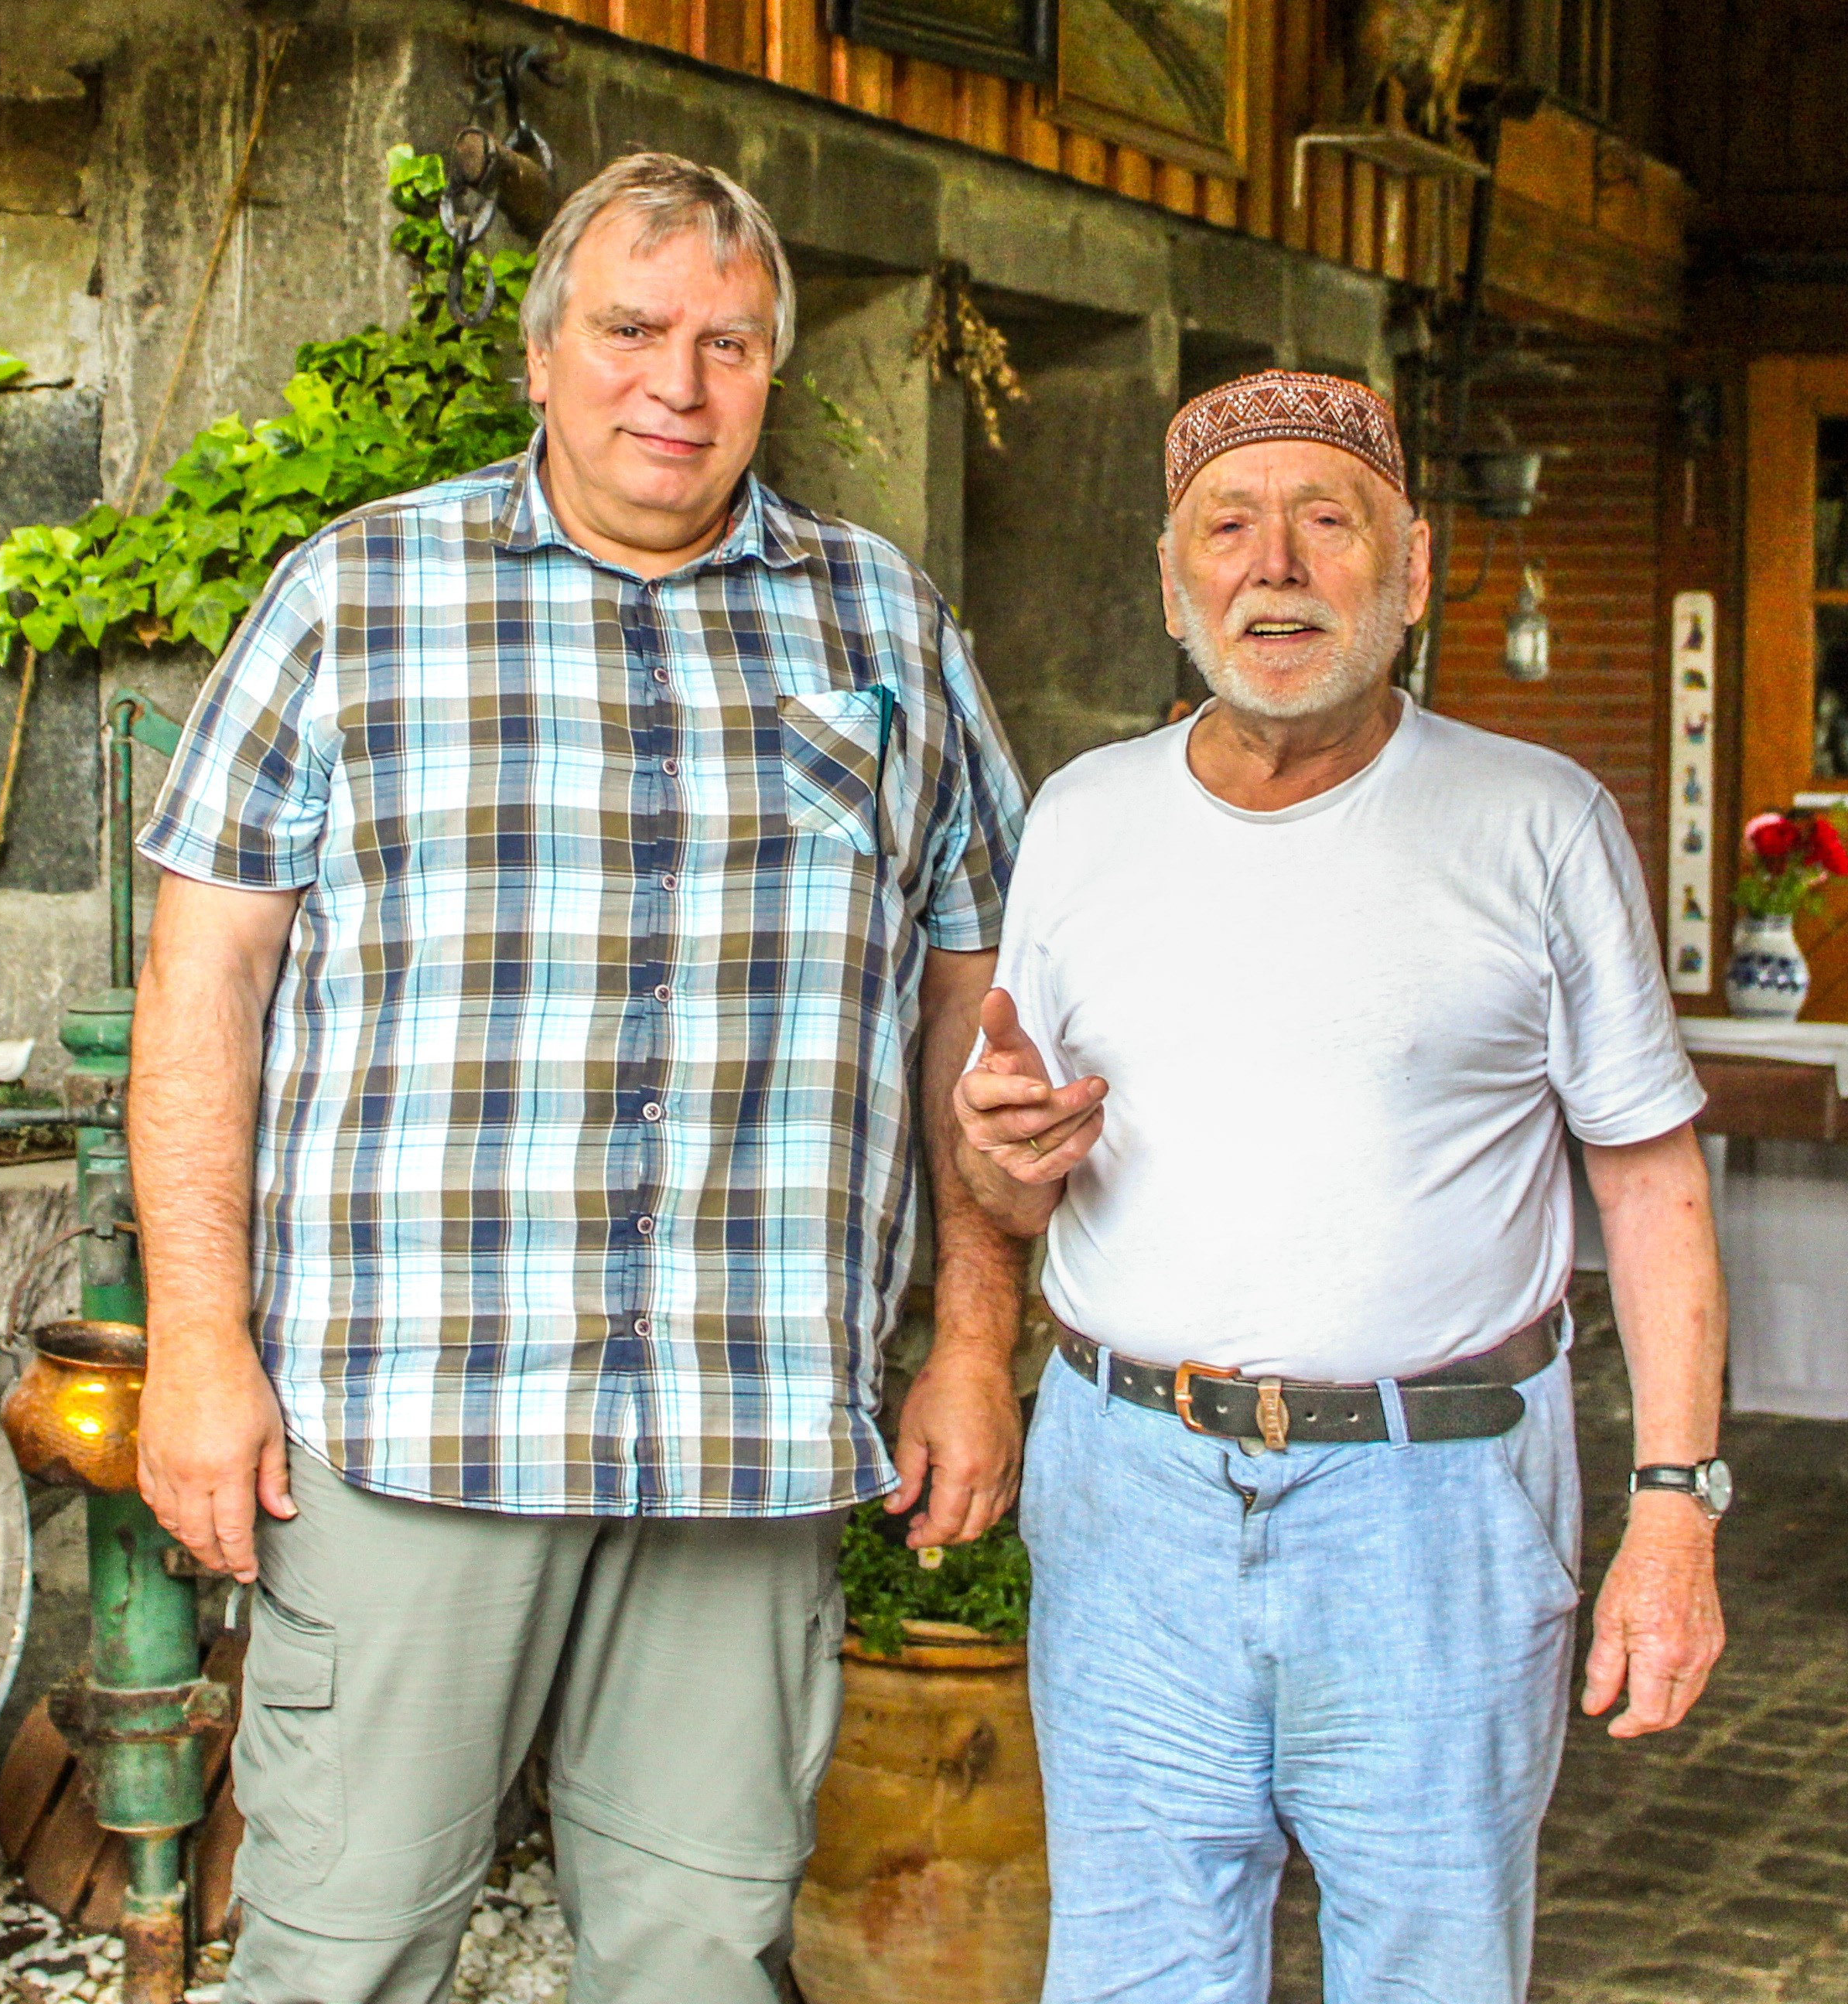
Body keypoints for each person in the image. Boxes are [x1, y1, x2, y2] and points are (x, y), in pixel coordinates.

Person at [125, 149, 1033, 2004]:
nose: (675, 387)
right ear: (541, 357)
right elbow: (198, 990)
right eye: (630, 330)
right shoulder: (352, 600)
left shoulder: (890, 631)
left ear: (775, 370)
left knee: (702, 1959)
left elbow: (979, 1008)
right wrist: (199, 1348)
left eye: (728, 342)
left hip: (748, 1427)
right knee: (344, 1952)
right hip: (411, 1428)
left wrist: (967, 1341)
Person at [954, 367, 1730, 2004]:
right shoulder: (1083, 821)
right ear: (1174, 582)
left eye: (1329, 522)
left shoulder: (1539, 825)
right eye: (1228, 528)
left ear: (1416, 569)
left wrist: (1675, 1509)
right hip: (1130, 1490)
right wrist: (1004, 1158)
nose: (1277, 567)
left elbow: (1653, 1190)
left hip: (1433, 1503)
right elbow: (1008, 1168)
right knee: (1132, 1977)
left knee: (1432, 1975)